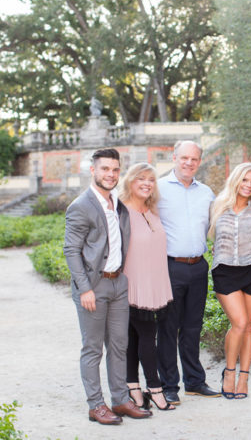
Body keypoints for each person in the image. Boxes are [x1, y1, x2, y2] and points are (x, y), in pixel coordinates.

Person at [64, 148, 151, 425]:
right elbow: (71, 250)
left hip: (118, 284)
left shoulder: (119, 204)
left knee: (119, 345)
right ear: (93, 170)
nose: (110, 174)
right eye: (105, 169)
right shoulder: (81, 206)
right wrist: (85, 288)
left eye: (115, 169)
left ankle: (121, 399)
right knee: (92, 348)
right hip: (93, 286)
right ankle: (95, 405)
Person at [157, 140, 219, 404]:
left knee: (193, 328)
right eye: (184, 158)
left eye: (194, 159)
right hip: (170, 266)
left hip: (198, 267)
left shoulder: (206, 193)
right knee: (168, 328)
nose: (189, 163)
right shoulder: (157, 189)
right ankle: (168, 384)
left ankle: (194, 381)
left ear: (199, 161)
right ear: (174, 157)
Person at [118, 163, 176, 411]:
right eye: (141, 178)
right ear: (130, 181)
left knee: (134, 337)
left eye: (151, 180)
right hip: (132, 284)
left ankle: (133, 388)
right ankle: (154, 389)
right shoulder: (120, 212)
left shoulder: (152, 211)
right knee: (146, 336)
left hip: (154, 284)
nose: (146, 183)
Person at [208, 162, 251, 399]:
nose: (249, 186)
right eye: (245, 180)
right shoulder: (217, 206)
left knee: (249, 326)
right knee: (239, 323)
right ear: (236, 180)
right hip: (224, 270)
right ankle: (229, 373)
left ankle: (244, 377)